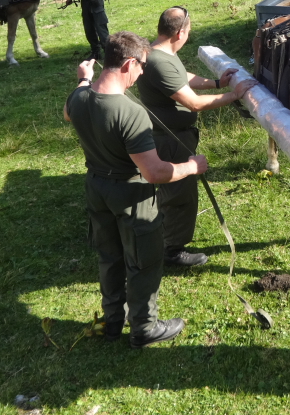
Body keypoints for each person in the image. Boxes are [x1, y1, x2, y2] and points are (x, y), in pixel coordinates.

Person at [63, 31, 209, 348]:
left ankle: (113, 320)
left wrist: (83, 80)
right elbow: (154, 172)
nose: (142, 72)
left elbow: (68, 111)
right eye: (141, 66)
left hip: (96, 188)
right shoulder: (131, 113)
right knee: (144, 260)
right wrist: (192, 166)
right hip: (130, 194)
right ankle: (144, 327)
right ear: (129, 63)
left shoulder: (78, 98)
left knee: (109, 257)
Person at [136, 6, 256, 267]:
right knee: (179, 196)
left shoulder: (160, 52)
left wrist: (215, 83)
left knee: (176, 192)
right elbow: (195, 104)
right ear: (180, 32)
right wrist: (235, 95)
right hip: (171, 140)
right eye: (188, 32)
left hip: (173, 135)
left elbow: (181, 78)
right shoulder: (159, 61)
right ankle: (171, 250)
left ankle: (165, 239)